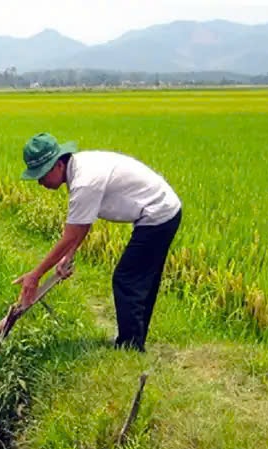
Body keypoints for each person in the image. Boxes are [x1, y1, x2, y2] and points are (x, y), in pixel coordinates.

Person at [13, 132, 182, 352]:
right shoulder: (79, 171)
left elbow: (70, 234)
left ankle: (130, 347)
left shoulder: (85, 182)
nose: (40, 182)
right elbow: (82, 224)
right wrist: (68, 257)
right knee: (139, 280)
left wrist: (35, 275)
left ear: (58, 165)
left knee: (127, 279)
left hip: (159, 214)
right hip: (160, 211)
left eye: (42, 175)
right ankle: (133, 341)